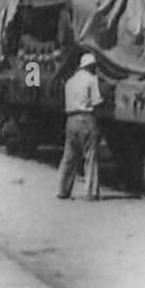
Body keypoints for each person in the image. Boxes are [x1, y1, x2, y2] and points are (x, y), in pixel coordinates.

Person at [56, 52, 103, 200]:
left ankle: (62, 190)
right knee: (90, 156)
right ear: (91, 66)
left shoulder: (70, 81)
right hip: (86, 119)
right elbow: (96, 101)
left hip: (70, 120)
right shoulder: (92, 79)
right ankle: (91, 192)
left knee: (69, 156)